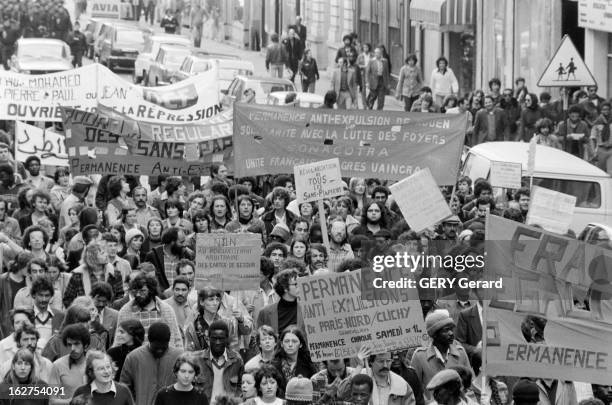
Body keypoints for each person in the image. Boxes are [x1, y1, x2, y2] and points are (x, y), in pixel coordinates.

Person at [410, 310, 470, 402]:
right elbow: (414, 390)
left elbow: (469, 385)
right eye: (446, 330)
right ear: (435, 334)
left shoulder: (460, 352)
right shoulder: (420, 356)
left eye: (451, 329)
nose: (451, 333)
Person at [113, 272, 183, 349]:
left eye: (142, 291)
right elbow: (118, 341)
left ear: (151, 290)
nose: (138, 294)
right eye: (136, 291)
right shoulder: (126, 311)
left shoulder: (167, 310)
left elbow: (177, 339)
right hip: (135, 358)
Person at [120, 322, 182, 405]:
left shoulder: (180, 357)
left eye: (163, 347)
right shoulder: (133, 358)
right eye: (156, 347)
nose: (159, 350)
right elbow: (124, 389)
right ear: (148, 339)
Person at [192, 320, 244, 403]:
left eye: (221, 338)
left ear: (226, 339)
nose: (217, 342)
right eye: (214, 338)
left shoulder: (236, 360)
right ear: (208, 338)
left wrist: (234, 401)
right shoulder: (196, 360)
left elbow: (241, 385)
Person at [63, 241, 124, 309]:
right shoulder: (78, 274)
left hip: (108, 313)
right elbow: (68, 299)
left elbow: (120, 296)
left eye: (106, 252)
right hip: (84, 313)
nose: (106, 255)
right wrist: (80, 311)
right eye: (102, 253)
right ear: (92, 257)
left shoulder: (114, 273)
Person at [48, 324, 90, 404]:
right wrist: (73, 402)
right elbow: (52, 400)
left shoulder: (96, 364)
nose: (72, 349)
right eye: (69, 344)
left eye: (77, 344)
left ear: (86, 345)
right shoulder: (58, 365)